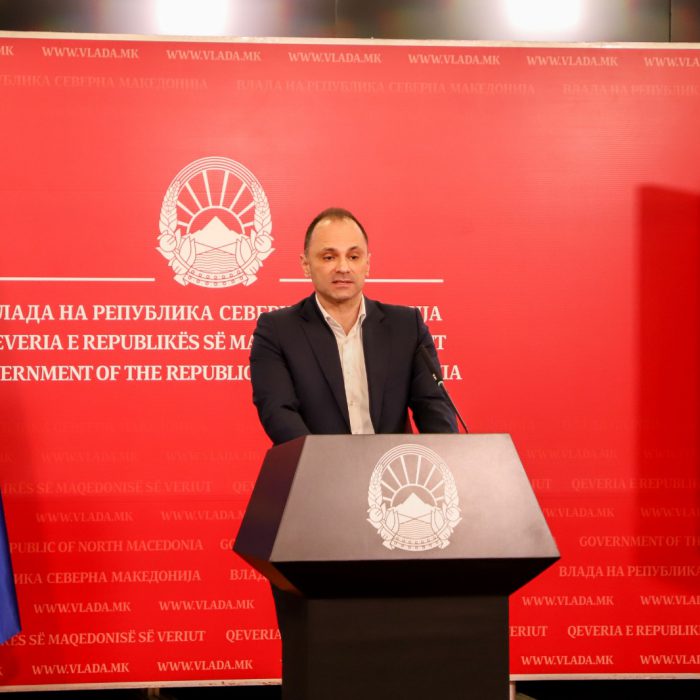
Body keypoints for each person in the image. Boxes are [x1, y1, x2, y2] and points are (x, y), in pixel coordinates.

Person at [249, 207, 457, 444]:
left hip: (391, 465)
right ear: (305, 264)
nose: (343, 267)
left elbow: (433, 406)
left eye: (354, 257)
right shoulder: (277, 331)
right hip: (317, 465)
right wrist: (324, 460)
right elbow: (279, 413)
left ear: (367, 264)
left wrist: (447, 454)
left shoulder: (407, 327)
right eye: (329, 257)